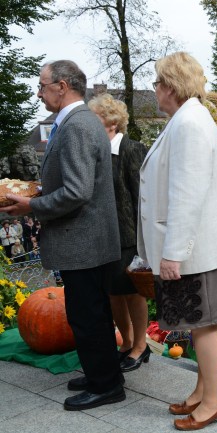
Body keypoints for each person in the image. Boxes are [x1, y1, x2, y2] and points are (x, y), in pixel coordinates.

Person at [0, 60, 123, 411]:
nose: (39, 92)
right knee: (90, 312)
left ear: (62, 85)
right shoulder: (77, 121)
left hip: (83, 240)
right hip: (86, 239)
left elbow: (76, 191)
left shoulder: (78, 125)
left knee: (87, 315)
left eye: (42, 85)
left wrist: (30, 207)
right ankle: (104, 373)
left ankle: (107, 385)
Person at [139, 52, 217, 430]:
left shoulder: (190, 123)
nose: (155, 92)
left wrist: (173, 252)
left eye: (156, 84)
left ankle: (214, 401)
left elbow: (187, 193)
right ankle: (204, 392)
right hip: (197, 248)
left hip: (197, 250)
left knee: (205, 325)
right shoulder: (188, 119)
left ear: (170, 86)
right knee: (201, 325)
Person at [88, 93, 149, 372]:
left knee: (133, 293)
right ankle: (126, 343)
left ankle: (140, 345)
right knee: (113, 293)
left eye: (96, 119)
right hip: (104, 236)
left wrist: (144, 240)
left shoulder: (133, 149)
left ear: (112, 122)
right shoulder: (95, 152)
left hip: (130, 236)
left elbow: (142, 197)